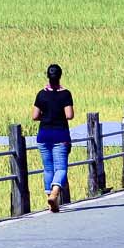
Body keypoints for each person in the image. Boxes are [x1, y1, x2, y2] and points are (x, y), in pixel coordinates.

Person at [31, 64, 76, 211]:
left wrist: (47, 115)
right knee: (61, 168)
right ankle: (55, 193)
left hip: (43, 135)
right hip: (60, 134)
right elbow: (69, 115)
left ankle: (51, 201)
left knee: (48, 169)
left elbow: (34, 116)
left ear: (47, 76)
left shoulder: (41, 94)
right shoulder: (65, 94)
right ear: (60, 76)